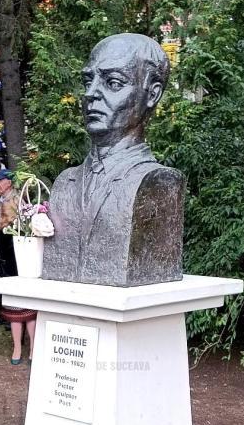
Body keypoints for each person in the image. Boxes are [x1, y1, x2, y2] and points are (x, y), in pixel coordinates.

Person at [42, 33, 184, 286]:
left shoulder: (158, 183)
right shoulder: (65, 183)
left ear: (152, 93)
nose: (90, 94)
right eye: (88, 81)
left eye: (113, 83)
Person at [0, 171, 37, 363]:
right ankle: (18, 345)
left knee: (23, 297)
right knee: (12, 298)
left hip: (16, 248)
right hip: (4, 249)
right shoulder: (1, 199)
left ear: (8, 182)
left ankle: (32, 346)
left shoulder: (16, 198)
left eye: (0, 180)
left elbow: (12, 223)